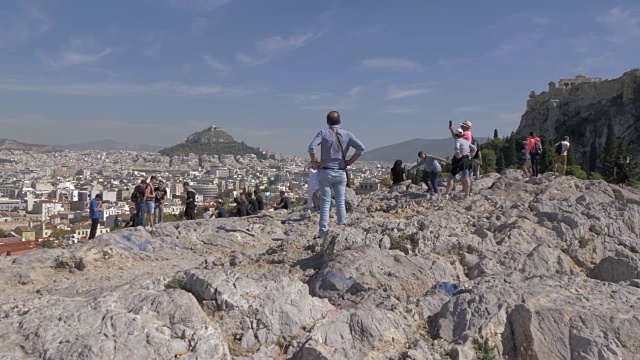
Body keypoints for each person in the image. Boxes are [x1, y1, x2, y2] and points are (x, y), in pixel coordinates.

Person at [308, 110, 365, 238]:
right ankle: (341, 228)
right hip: (340, 171)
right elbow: (361, 148)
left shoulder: (323, 133)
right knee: (340, 201)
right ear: (340, 121)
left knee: (325, 203)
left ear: (327, 122)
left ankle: (323, 232)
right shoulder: (347, 134)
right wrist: (350, 161)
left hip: (326, 171)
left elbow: (312, 148)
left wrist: (315, 162)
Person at [442, 129, 477, 199]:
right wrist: (471, 155)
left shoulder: (457, 141)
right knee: (466, 177)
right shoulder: (466, 141)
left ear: (456, 135)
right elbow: (474, 149)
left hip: (459, 160)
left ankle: (446, 194)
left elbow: (457, 148)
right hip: (466, 159)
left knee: (450, 178)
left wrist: (458, 155)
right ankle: (467, 195)